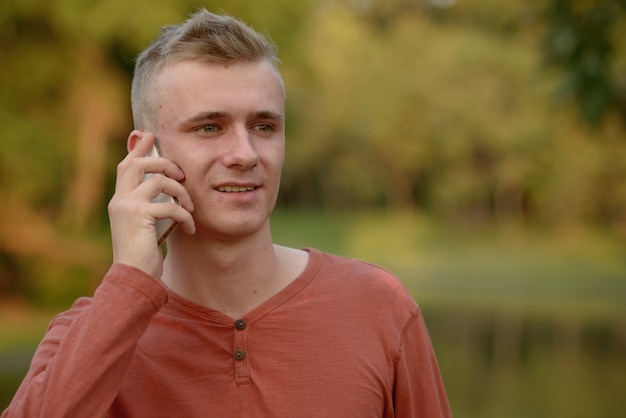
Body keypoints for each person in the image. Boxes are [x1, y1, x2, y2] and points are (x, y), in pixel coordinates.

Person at [3, 8, 451, 418]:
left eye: (263, 126)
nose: (245, 153)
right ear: (146, 150)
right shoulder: (85, 335)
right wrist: (129, 282)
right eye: (210, 127)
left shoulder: (378, 306)